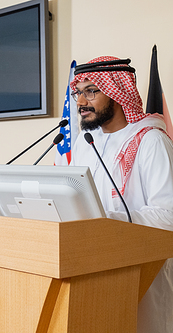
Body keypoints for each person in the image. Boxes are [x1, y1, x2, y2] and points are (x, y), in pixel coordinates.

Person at [70, 56, 173, 333]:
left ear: (117, 92)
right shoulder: (86, 141)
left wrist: (108, 220)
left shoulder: (151, 140)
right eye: (78, 92)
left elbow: (169, 216)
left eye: (92, 91)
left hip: (143, 268)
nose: (81, 102)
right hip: (94, 264)